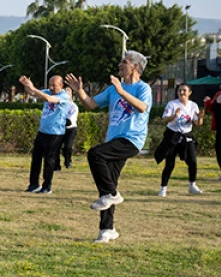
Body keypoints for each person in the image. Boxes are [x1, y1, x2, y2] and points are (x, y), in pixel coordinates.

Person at [67, 50, 152, 244]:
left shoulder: (143, 87)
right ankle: (107, 229)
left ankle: (112, 195)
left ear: (135, 66)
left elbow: (143, 107)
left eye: (124, 62)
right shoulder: (114, 89)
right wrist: (79, 90)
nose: (120, 65)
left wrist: (122, 91)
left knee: (95, 154)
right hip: (114, 139)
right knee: (107, 185)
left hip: (132, 139)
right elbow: (90, 104)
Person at [18, 74, 74, 194]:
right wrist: (26, 84)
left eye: (54, 85)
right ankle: (33, 184)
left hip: (55, 133)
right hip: (42, 131)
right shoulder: (48, 91)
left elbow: (49, 99)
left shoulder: (63, 96)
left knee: (49, 161)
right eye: (50, 85)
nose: (51, 88)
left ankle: (46, 186)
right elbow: (32, 93)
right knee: (36, 158)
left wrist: (33, 89)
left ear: (61, 85)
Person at [154, 82, 204, 197]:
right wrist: (174, 116)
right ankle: (163, 188)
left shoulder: (193, 105)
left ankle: (192, 185)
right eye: (180, 90)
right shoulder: (172, 104)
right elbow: (165, 120)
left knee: (192, 162)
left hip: (187, 136)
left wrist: (200, 118)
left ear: (189, 93)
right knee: (170, 164)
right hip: (172, 136)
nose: (181, 93)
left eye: (184, 90)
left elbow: (197, 123)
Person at [61, 97, 79, 169]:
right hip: (60, 129)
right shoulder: (59, 105)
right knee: (55, 146)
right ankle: (56, 165)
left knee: (68, 146)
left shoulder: (74, 107)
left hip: (71, 129)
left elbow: (69, 121)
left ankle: (68, 162)